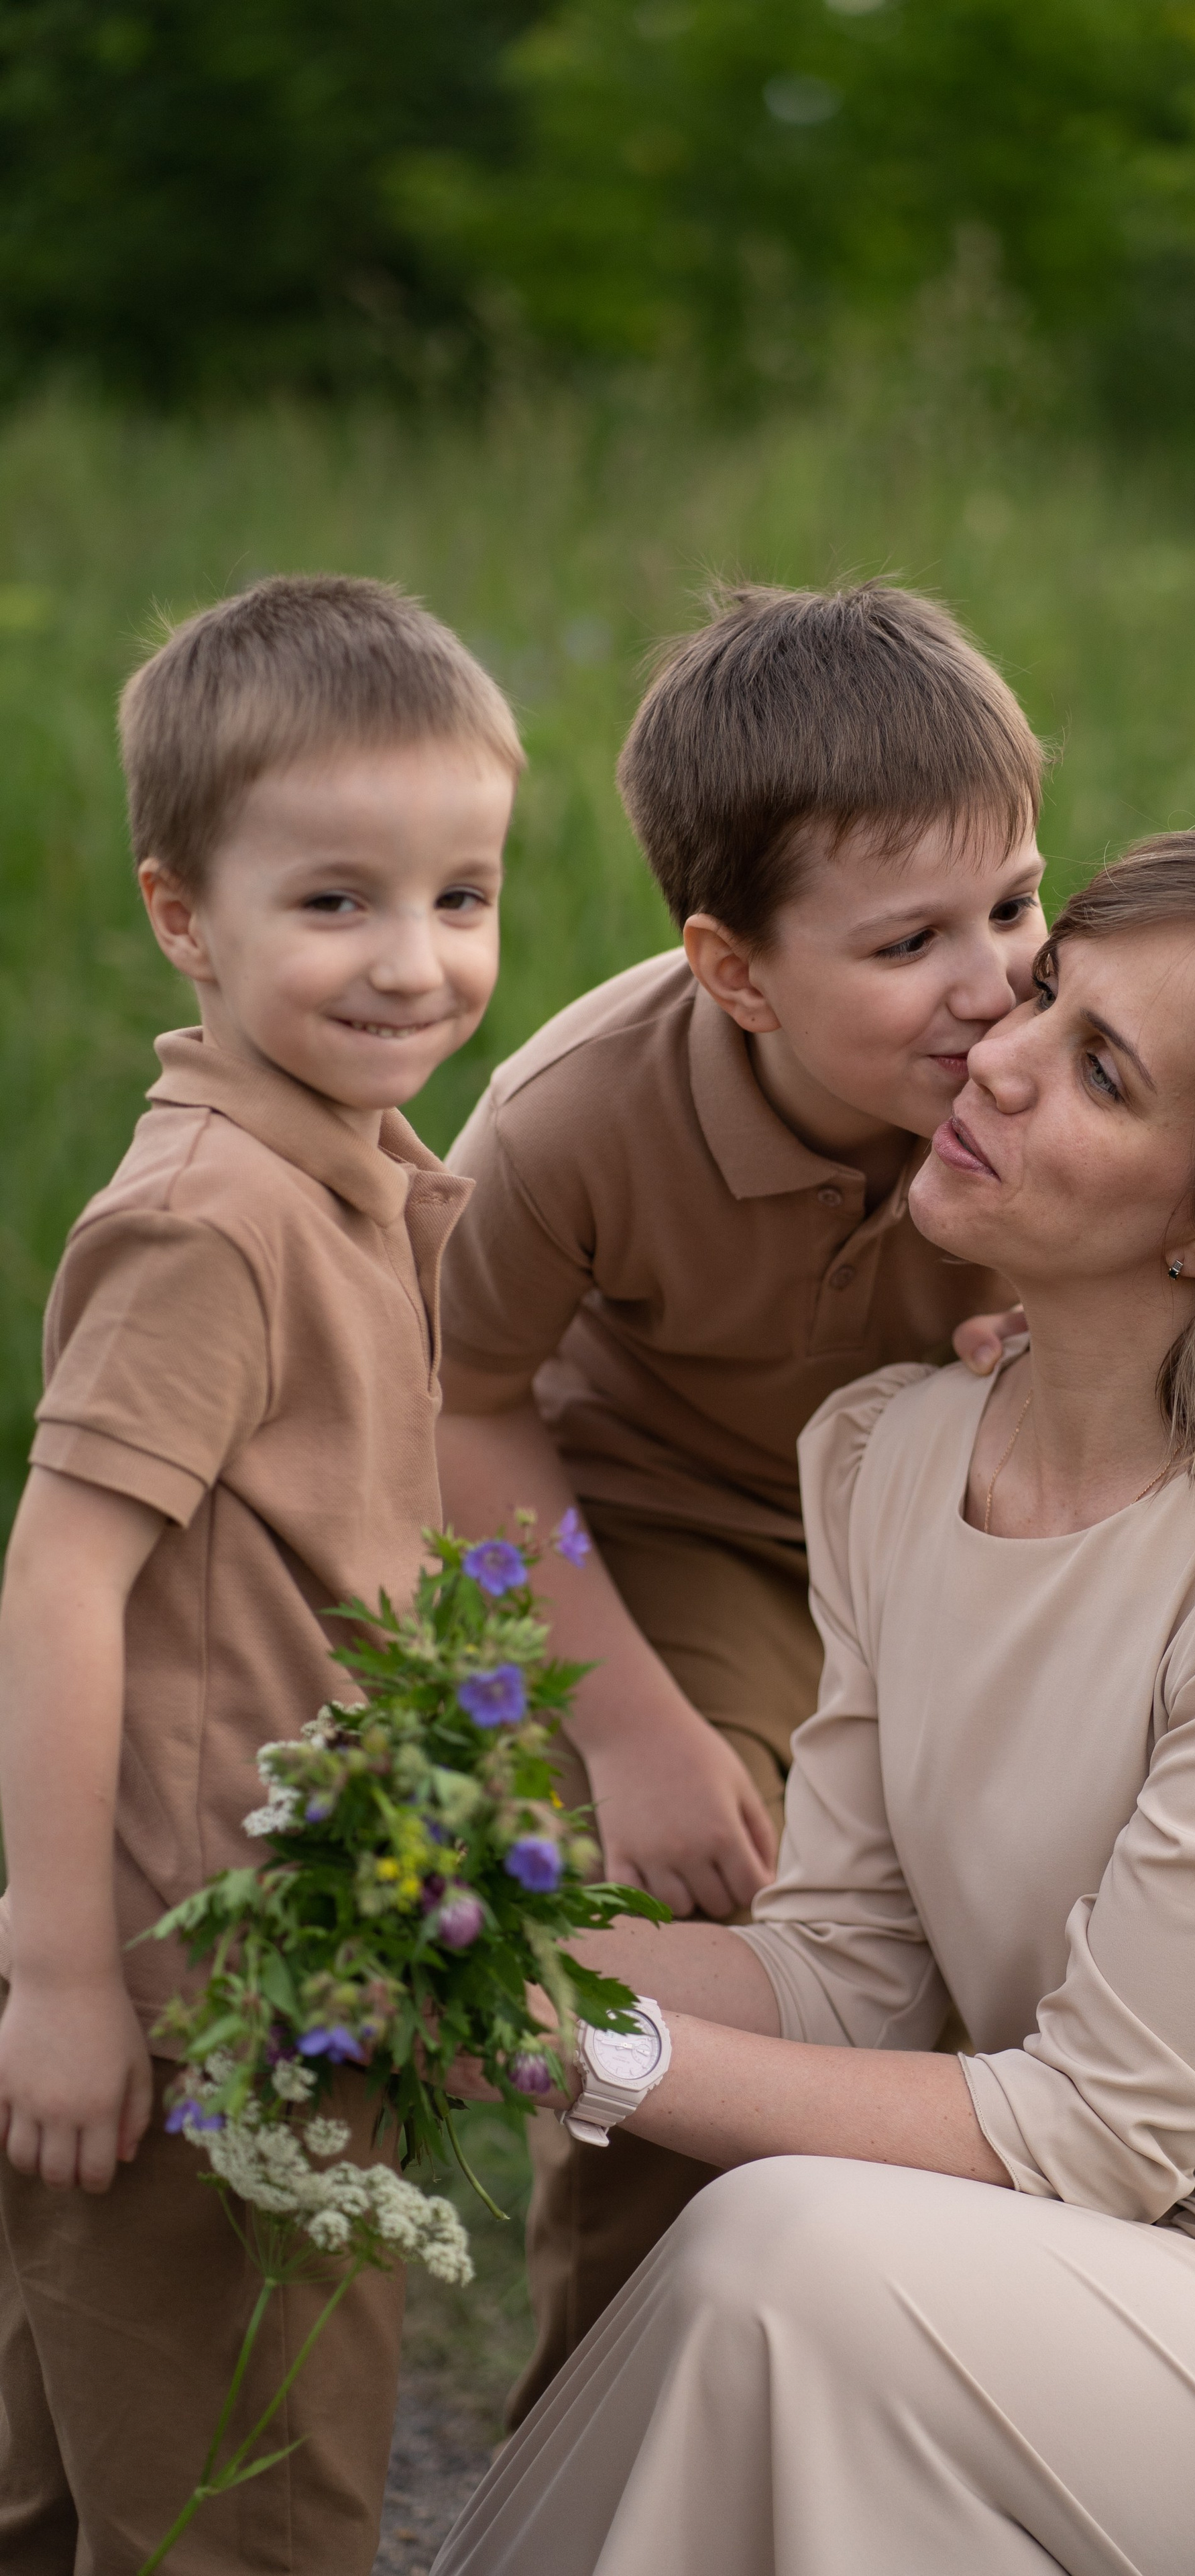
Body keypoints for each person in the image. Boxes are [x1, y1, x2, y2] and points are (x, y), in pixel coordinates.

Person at [435, 831, 1195, 2576]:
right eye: (1053, 990)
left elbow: (1090, 2133)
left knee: (790, 2260)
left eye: (1098, 1067)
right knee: (788, 2263)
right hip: (1065, 2289)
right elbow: (841, 1974)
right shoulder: (889, 1452)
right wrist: (459, 1961)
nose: (993, 1050)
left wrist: (594, 2055)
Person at [435, 580, 1035, 2406]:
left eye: (1015, 900)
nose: (995, 977)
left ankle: (957, 2406)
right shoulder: (572, 1124)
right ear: (735, 972)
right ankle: (601, 2426)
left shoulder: (1051, 1067)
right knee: (700, 1949)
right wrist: (625, 1727)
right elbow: (455, 1408)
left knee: (1010, 1943)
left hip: (961, 1533)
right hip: (681, 1530)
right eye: (910, 941)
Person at [0, 574, 518, 2576]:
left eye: (461, 895)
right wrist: (60, 1979)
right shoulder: (214, 1221)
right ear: (180, 916)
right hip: (191, 1993)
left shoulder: (361, 1173)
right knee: (252, 2501)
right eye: (335, 902)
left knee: (72, 2481)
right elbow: (59, 1583)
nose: (413, 962)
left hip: (287, 1951)